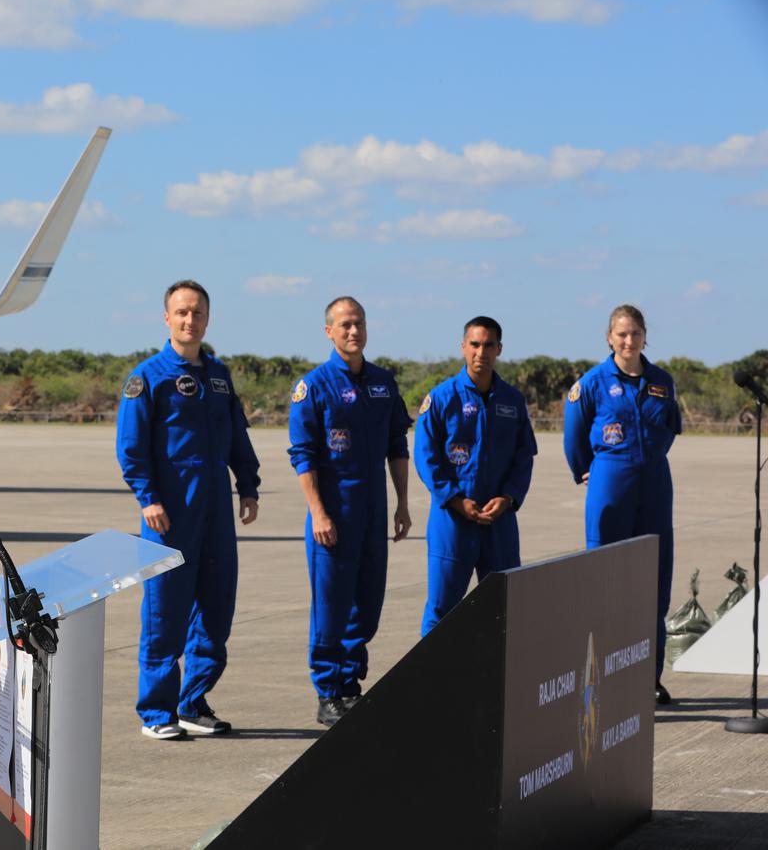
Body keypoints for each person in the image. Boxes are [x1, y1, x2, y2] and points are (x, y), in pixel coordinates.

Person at [116, 280, 261, 740]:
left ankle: (192, 702)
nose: (189, 320)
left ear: (207, 318)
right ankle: (156, 712)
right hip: (170, 512)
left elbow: (237, 435)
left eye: (197, 312)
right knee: (165, 610)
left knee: (217, 608)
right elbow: (132, 447)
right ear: (166, 318)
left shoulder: (218, 377)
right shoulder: (148, 377)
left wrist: (249, 485)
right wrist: (149, 497)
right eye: (181, 312)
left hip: (216, 508)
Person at [288, 296, 412, 727]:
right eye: (344, 325)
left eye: (358, 323)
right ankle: (327, 691)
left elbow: (398, 445)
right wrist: (319, 513)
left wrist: (402, 504)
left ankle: (349, 684)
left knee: (367, 603)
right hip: (333, 511)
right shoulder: (314, 386)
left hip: (373, 510)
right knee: (331, 605)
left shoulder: (383, 383)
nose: (353, 331)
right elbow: (302, 456)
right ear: (329, 332)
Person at [563, 303, 681, 706]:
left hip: (653, 485)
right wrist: (590, 470)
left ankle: (649, 678)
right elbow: (574, 438)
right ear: (609, 338)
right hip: (610, 482)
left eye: (635, 333)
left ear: (645, 336)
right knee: (605, 582)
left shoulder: (662, 382)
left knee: (654, 584)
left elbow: (670, 428)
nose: (629, 341)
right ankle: (601, 679)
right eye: (621, 334)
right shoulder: (592, 383)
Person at [414, 316, 538, 636]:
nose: (480, 352)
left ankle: (499, 684)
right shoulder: (442, 398)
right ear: (463, 347)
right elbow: (427, 457)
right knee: (442, 609)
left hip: (499, 519)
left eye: (488, 345)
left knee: (506, 607)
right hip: (452, 519)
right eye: (474, 344)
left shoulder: (512, 400)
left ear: (499, 349)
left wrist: (508, 497)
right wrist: (455, 500)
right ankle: (433, 683)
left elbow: (524, 456)